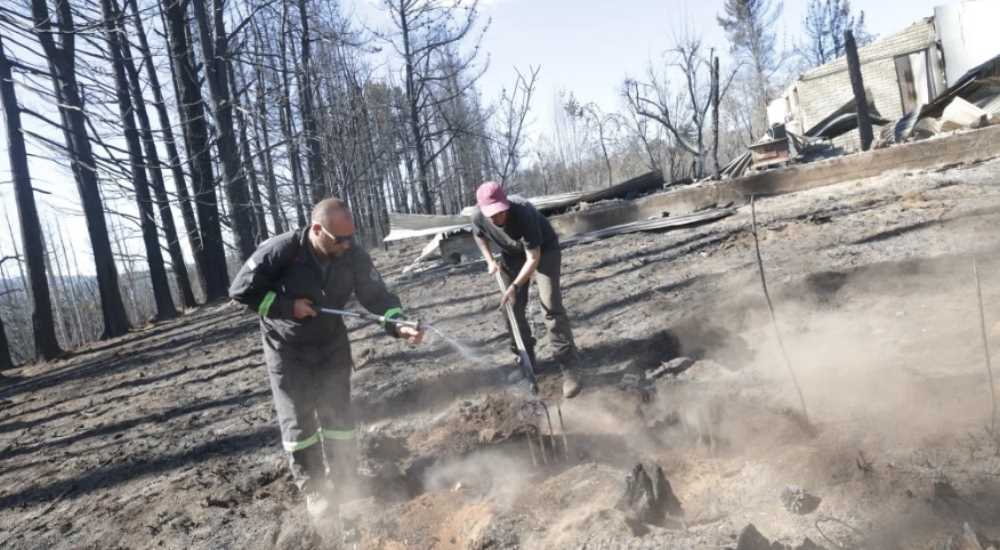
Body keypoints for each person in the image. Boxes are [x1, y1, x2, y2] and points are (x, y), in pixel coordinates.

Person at [229, 198, 423, 519]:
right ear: (317, 230)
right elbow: (241, 290)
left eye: (351, 238)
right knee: (299, 419)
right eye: (339, 240)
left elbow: (376, 296)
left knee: (338, 415)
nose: (346, 246)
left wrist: (398, 322)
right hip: (287, 349)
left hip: (331, 343)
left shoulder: (352, 254)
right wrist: (287, 307)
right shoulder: (283, 251)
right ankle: (315, 489)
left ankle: (345, 477)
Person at [470, 181, 582, 399]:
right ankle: (526, 361)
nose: (496, 218)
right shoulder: (477, 216)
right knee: (509, 308)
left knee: (550, 306)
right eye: (491, 214)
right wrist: (489, 260)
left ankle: (570, 368)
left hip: (544, 251)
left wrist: (514, 286)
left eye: (500, 213)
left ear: (506, 205)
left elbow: (533, 258)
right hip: (512, 255)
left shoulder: (524, 212)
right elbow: (478, 234)